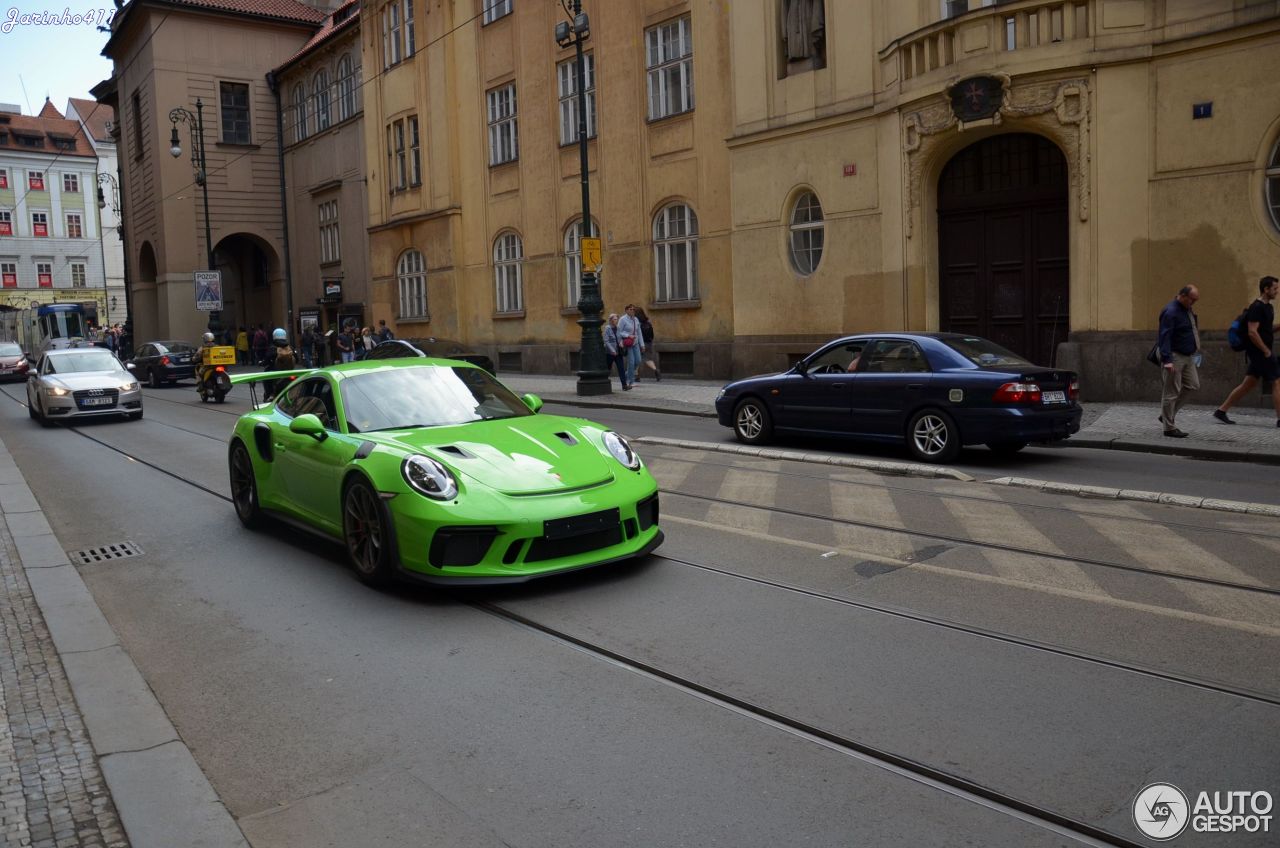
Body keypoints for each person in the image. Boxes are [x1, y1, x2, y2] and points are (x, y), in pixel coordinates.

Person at [1214, 276, 1280, 426]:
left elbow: (1266, 330)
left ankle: (1221, 411)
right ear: (1266, 289)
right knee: (1277, 381)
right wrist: (1265, 350)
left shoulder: (1268, 307)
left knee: (1248, 384)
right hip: (1260, 352)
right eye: (1275, 288)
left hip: (1262, 351)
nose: (1277, 291)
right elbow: (1252, 332)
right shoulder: (1256, 307)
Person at [1156, 285, 1201, 438]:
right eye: (1192, 300)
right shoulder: (1171, 311)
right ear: (1182, 295)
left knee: (1193, 385)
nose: (1193, 303)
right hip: (1174, 356)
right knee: (1171, 392)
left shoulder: (1186, 308)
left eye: (1195, 300)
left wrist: (1196, 352)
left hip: (1188, 356)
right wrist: (1167, 360)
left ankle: (1167, 414)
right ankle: (1169, 428)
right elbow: (1164, 337)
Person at [617, 304, 644, 388]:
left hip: (635, 343)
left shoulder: (636, 319)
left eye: (633, 309)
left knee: (638, 360)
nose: (632, 311)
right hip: (628, 343)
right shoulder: (622, 319)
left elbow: (639, 332)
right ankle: (630, 381)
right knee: (631, 362)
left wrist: (642, 344)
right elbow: (619, 332)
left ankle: (626, 375)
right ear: (626, 310)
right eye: (630, 309)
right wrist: (628, 335)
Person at [633, 307, 661, 382]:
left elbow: (637, 334)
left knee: (637, 359)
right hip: (649, 343)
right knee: (648, 359)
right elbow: (652, 334)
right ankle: (656, 370)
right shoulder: (648, 322)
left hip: (640, 343)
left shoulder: (636, 323)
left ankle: (637, 376)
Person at [603, 313, 629, 390]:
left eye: (617, 319)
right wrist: (612, 350)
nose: (616, 320)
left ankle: (624, 385)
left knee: (621, 368)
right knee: (608, 368)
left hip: (618, 352)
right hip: (610, 353)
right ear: (610, 320)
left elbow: (620, 337)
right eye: (614, 319)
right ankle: (604, 382)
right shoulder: (607, 328)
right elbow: (606, 341)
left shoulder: (618, 328)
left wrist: (621, 342)